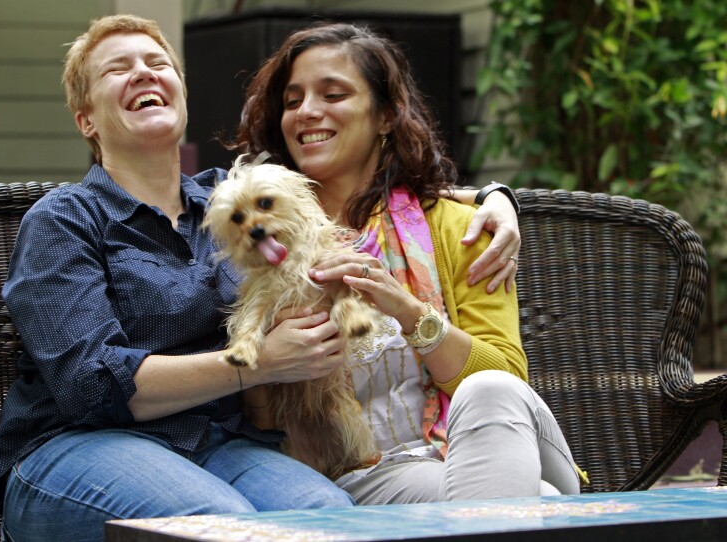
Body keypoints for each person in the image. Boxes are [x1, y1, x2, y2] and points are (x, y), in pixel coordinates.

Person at [0, 14, 523, 542]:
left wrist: (495, 198)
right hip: (77, 448)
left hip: (214, 445)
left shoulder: (226, 200)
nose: (143, 73)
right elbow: (91, 385)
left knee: (332, 517)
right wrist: (256, 363)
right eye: (117, 69)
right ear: (86, 120)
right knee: (222, 522)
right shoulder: (65, 219)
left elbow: (345, 192)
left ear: (181, 95)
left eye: (157, 63)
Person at [232, 22, 583, 504]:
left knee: (492, 391)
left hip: (488, 438)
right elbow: (264, 420)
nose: (308, 112)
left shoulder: (461, 228)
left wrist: (408, 311)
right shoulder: (262, 245)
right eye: (293, 102)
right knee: (538, 500)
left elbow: (506, 379)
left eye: (333, 94)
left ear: (386, 116)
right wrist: (272, 361)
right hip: (368, 473)